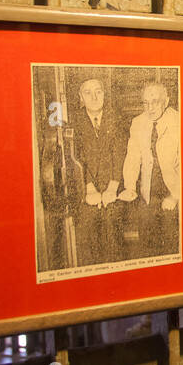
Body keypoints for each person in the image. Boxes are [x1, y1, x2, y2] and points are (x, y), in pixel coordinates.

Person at [118, 82, 180, 257]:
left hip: (175, 189)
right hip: (149, 191)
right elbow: (132, 158)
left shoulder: (179, 120)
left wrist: (174, 196)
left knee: (172, 242)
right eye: (145, 103)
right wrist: (130, 186)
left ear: (166, 101)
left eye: (155, 101)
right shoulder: (137, 123)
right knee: (147, 242)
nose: (150, 108)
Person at [73, 77, 126, 267]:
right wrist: (88, 189)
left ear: (105, 94)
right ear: (81, 97)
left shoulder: (116, 116)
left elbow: (120, 154)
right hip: (86, 190)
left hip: (114, 186)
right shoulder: (75, 121)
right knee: (85, 230)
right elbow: (76, 157)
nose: (94, 97)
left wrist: (112, 188)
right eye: (88, 92)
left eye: (98, 91)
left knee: (112, 226)